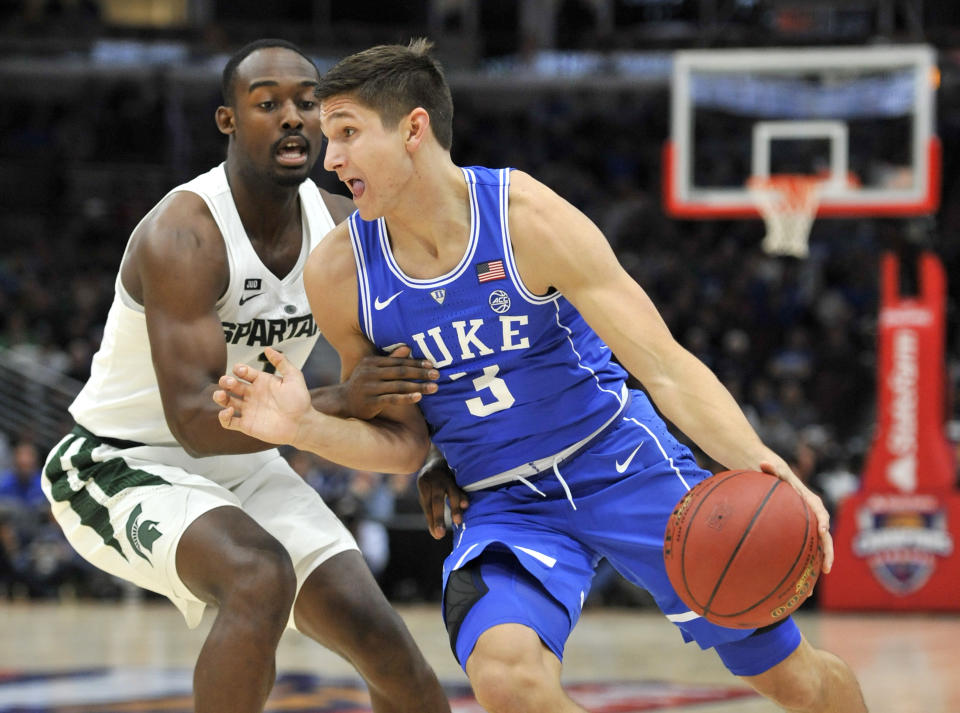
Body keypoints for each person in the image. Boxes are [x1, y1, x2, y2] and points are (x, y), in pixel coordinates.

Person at [214, 39, 869, 713]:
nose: (332, 159)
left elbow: (666, 369)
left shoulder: (524, 218)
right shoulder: (340, 274)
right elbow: (403, 441)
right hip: (504, 501)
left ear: (414, 128)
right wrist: (303, 425)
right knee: (507, 678)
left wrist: (763, 461)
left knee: (793, 676)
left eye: (348, 133)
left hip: (620, 460)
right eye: (329, 139)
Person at [41, 39, 450, 713]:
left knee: (384, 644)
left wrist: (437, 451)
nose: (293, 117)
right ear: (228, 121)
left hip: (249, 461)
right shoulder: (184, 233)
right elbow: (197, 423)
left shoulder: (344, 227)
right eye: (268, 104)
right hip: (121, 462)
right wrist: (338, 401)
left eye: (308, 102)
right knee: (259, 576)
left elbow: (399, 370)